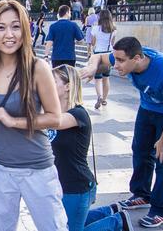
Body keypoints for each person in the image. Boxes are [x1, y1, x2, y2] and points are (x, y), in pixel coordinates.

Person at [0, 0, 67, 231]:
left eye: (15, 26)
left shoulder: (37, 68)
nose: (8, 35)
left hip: (38, 169)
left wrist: (13, 121)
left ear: (24, 29)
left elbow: (55, 118)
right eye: (1, 27)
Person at [80, 37, 163, 228]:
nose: (116, 65)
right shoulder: (124, 57)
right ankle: (141, 195)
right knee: (140, 150)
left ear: (137, 58)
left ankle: (161, 209)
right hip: (148, 107)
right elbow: (99, 58)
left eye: (121, 61)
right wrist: (92, 67)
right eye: (116, 60)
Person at [51, 64, 135, 231]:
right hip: (62, 184)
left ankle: (117, 222)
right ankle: (111, 212)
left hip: (77, 186)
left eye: (52, 81)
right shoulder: (53, 112)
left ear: (68, 86)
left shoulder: (78, 114)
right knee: (68, 222)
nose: (47, 85)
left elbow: (54, 122)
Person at [91, 10, 117, 109]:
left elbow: (93, 43)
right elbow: (113, 44)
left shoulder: (96, 28)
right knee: (106, 78)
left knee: (97, 79)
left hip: (98, 54)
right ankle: (105, 100)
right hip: (109, 55)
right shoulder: (113, 29)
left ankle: (99, 96)